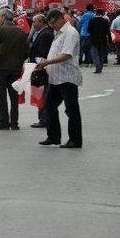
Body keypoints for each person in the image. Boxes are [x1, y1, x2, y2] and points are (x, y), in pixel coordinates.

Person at [36, 9, 83, 149]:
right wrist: (46, 61)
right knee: (49, 106)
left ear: (60, 19)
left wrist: (47, 62)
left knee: (71, 109)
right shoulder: (58, 33)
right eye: (50, 23)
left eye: (53, 22)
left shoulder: (70, 33)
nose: (52, 26)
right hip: (55, 77)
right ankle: (53, 136)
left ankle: (75, 140)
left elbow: (66, 55)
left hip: (67, 77)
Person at [0, 8, 30, 130]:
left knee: (1, 97)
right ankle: (14, 123)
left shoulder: (1, 30)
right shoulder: (21, 32)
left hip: (1, 68)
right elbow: (27, 50)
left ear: (4, 17)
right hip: (15, 68)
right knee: (14, 97)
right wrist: (19, 60)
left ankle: (4, 122)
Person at [28, 14, 54, 128]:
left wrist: (38, 64)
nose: (33, 24)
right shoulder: (43, 33)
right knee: (41, 93)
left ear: (41, 22)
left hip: (42, 68)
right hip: (41, 67)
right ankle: (43, 118)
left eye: (35, 22)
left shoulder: (45, 34)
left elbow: (42, 53)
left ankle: (44, 119)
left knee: (43, 94)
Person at [88, 9, 110, 74]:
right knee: (101, 54)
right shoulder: (105, 21)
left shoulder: (91, 20)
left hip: (94, 40)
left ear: (96, 13)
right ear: (102, 13)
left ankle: (98, 68)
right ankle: (100, 67)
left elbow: (88, 30)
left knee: (95, 54)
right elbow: (108, 32)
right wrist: (110, 40)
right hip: (103, 40)